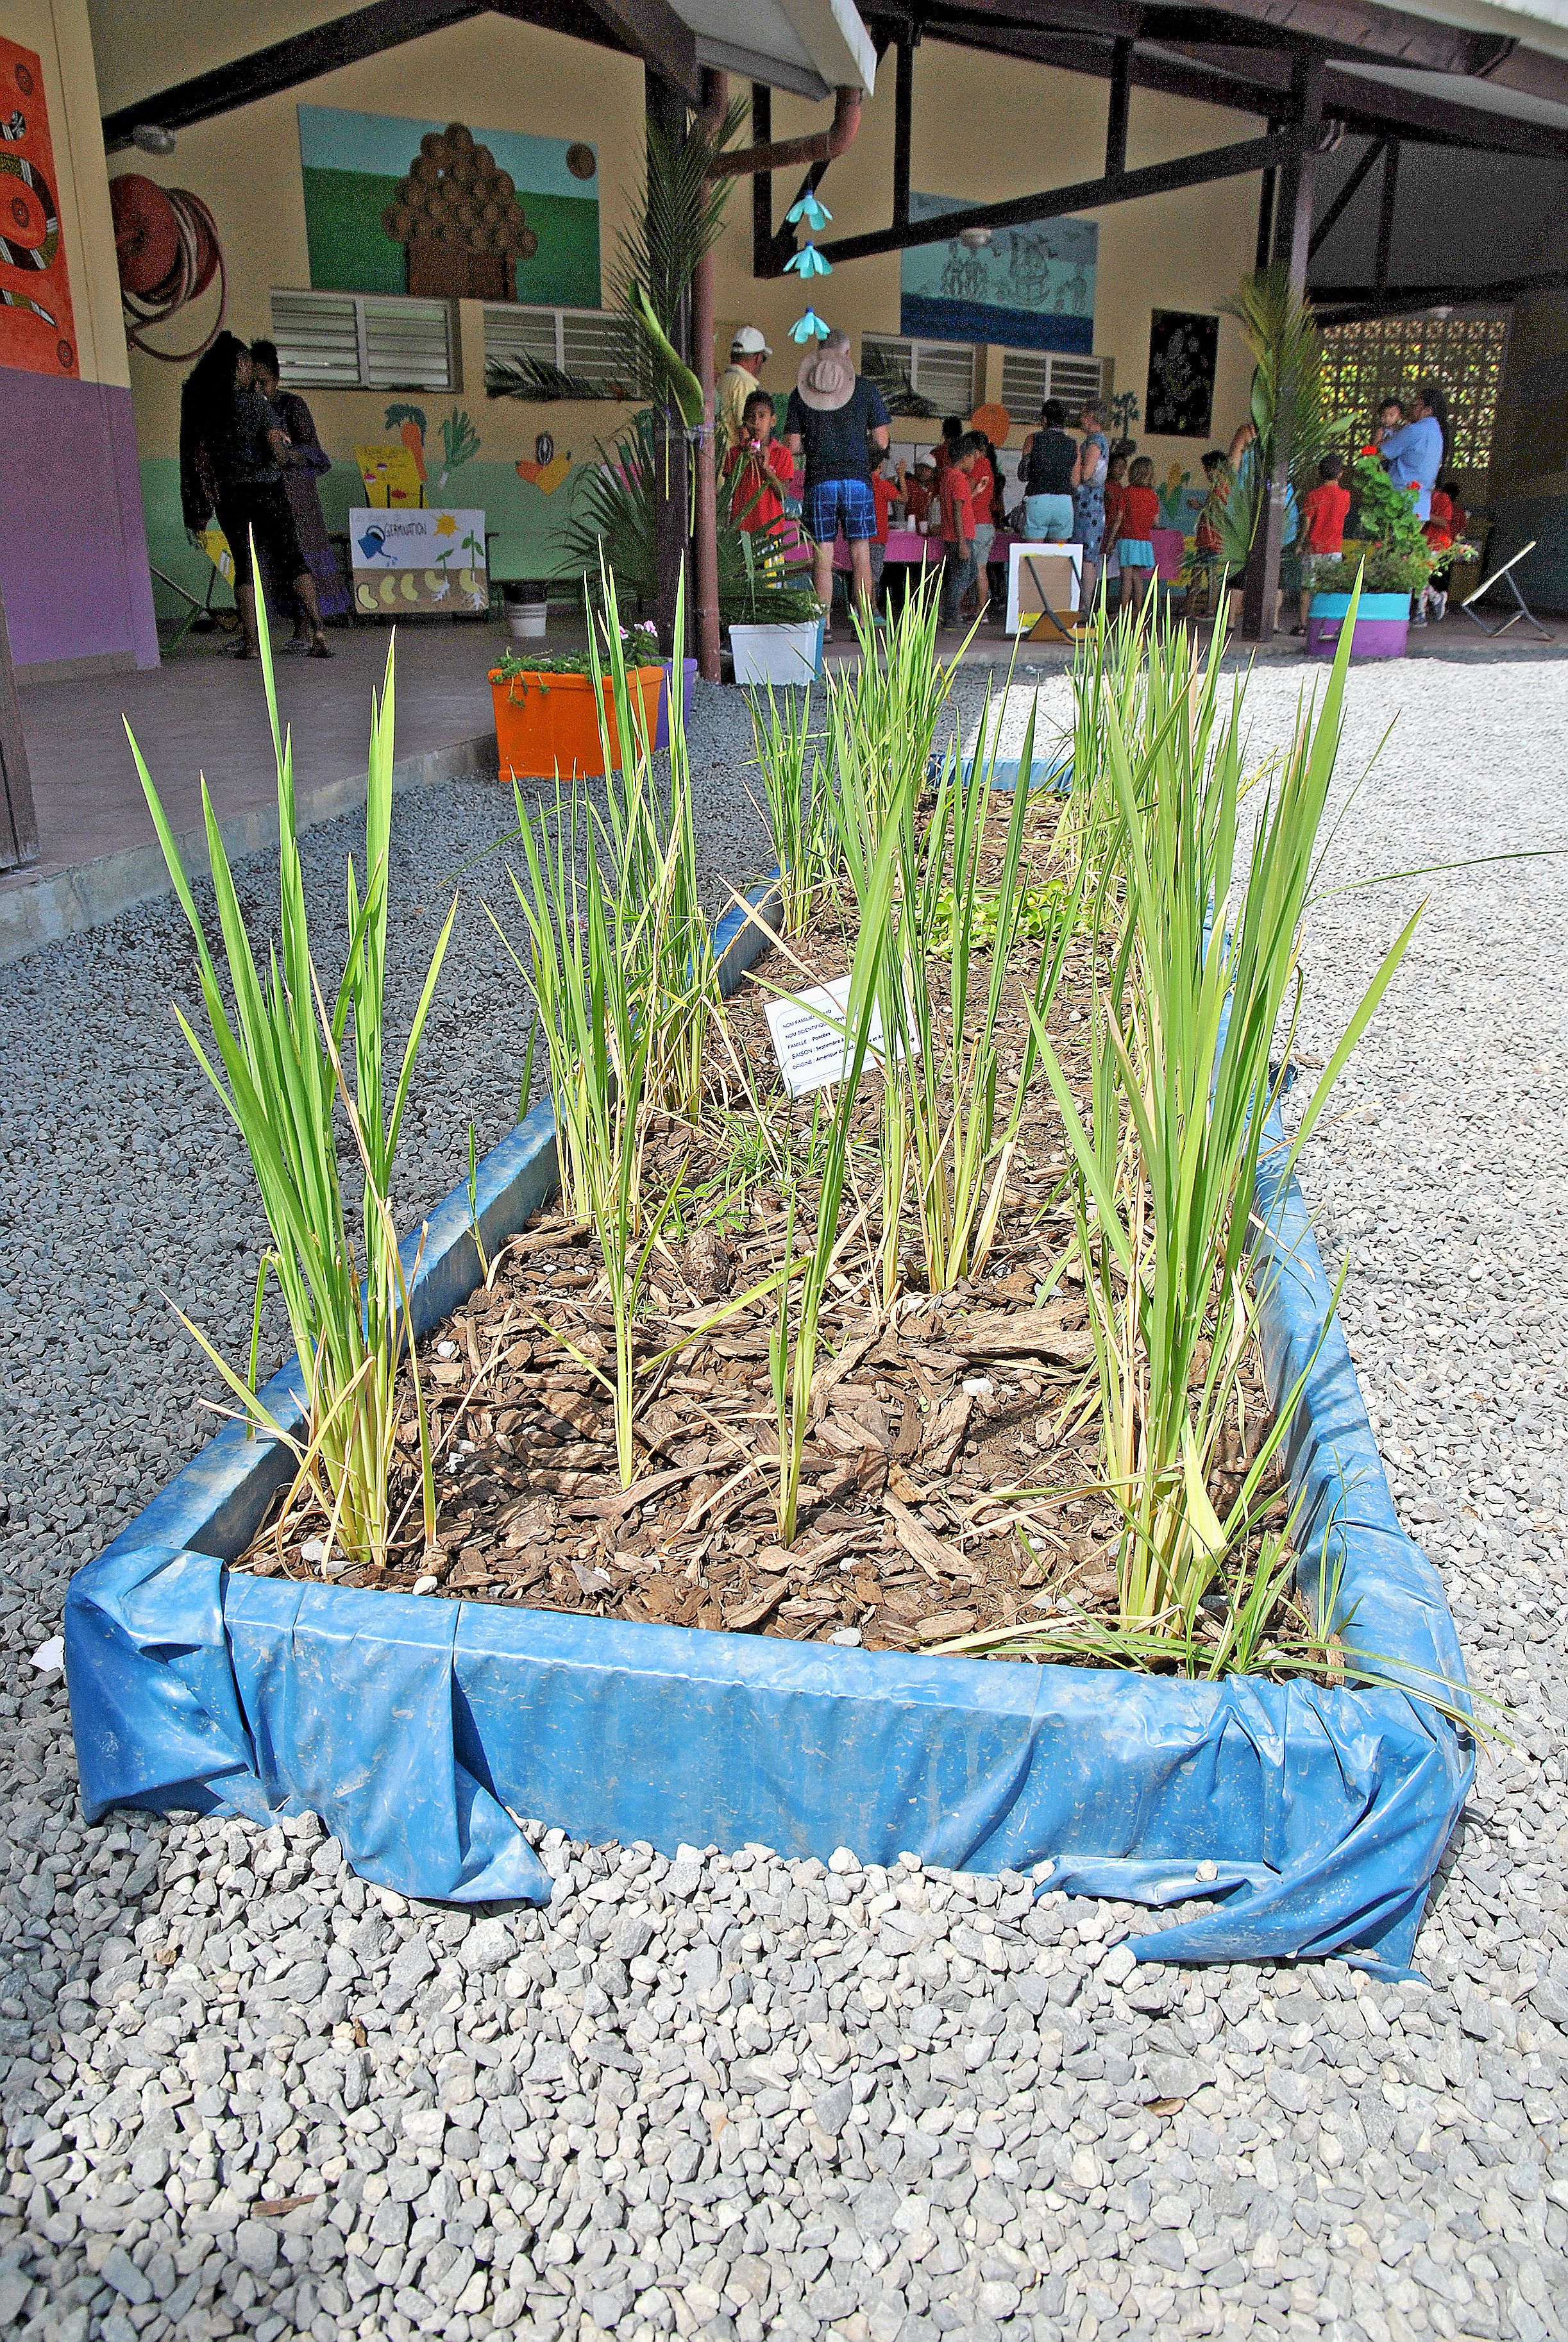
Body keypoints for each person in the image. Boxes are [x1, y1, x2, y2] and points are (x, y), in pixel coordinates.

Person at [179, 330, 332, 659]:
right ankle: (318, 630)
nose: (251, 372)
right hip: (269, 493)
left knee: (245, 569)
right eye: (247, 364)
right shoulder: (257, 406)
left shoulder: (208, 410)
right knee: (294, 560)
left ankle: (252, 642)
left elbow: (201, 459)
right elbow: (278, 451)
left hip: (231, 500)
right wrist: (296, 455)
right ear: (239, 365)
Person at [782, 330, 891, 632]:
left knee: (824, 553)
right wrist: (856, 440)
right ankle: (866, 624)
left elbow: (791, 446)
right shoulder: (867, 390)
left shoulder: (800, 394)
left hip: (819, 481)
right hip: (857, 479)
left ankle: (824, 626)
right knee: (860, 552)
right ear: (847, 355)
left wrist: (816, 443)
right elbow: (882, 442)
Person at [249, 338, 350, 639]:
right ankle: (285, 630)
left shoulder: (292, 406)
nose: (258, 390)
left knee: (302, 558)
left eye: (263, 383)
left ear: (277, 380)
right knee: (275, 562)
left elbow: (315, 452)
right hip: (267, 495)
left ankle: (307, 628)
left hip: (298, 497)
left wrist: (283, 455)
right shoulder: (249, 408)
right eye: (253, 383)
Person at [724, 388, 795, 542]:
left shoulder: (782, 454)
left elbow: (783, 495)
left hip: (770, 532)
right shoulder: (735, 453)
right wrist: (743, 459)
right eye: (751, 416)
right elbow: (727, 492)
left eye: (762, 416)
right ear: (744, 421)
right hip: (741, 532)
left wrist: (766, 469)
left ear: (773, 420)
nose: (756, 422)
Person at [1295, 453, 1351, 634]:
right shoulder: (1345, 496)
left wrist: (1300, 544)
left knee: (1307, 587)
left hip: (1313, 548)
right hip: (1334, 548)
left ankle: (1304, 625)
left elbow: (1307, 523)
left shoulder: (1313, 495)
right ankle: (1327, 624)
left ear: (1319, 473)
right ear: (1341, 473)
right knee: (1330, 587)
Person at [1375, 381, 1446, 520]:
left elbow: (1381, 455)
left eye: (1415, 405)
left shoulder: (1414, 430)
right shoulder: (1437, 433)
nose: (1412, 408)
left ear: (1428, 410)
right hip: (1422, 507)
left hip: (1399, 501)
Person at [1017, 396, 1080, 542]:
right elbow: (1076, 482)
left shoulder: (1033, 439)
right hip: (1064, 503)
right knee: (1057, 558)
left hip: (1039, 501)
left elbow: (1023, 474)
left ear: (1045, 419)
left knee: (1033, 557)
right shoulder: (1073, 444)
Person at [938, 430, 980, 629]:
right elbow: (957, 511)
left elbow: (959, 505)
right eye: (973, 456)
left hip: (951, 535)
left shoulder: (948, 475)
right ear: (964, 457)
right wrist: (963, 542)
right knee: (964, 575)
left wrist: (975, 492)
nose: (975, 461)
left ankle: (947, 610)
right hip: (960, 537)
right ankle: (950, 614)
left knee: (964, 573)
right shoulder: (960, 479)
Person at [1114, 455, 1161, 620]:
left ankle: (1123, 610)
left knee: (1126, 578)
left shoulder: (1127, 492)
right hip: (1144, 541)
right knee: (1137, 578)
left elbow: (1119, 518)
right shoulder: (1153, 496)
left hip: (1127, 539)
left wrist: (1111, 539)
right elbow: (1156, 521)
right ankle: (1138, 610)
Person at [1074, 401, 1110, 605]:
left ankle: (1085, 604)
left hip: (1088, 505)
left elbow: (1086, 473)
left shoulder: (1094, 442)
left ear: (1090, 417)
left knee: (1087, 555)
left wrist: (1077, 459)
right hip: (1091, 504)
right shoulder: (1098, 440)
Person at [717, 325, 771, 453]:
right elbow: (749, 431)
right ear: (758, 358)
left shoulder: (722, 380)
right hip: (735, 465)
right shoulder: (745, 385)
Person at [966, 432, 1000, 619]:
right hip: (986, 523)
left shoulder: (979, 464)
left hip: (976, 523)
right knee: (981, 568)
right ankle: (981, 611)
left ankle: (977, 609)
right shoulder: (989, 465)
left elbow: (968, 491)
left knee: (974, 568)